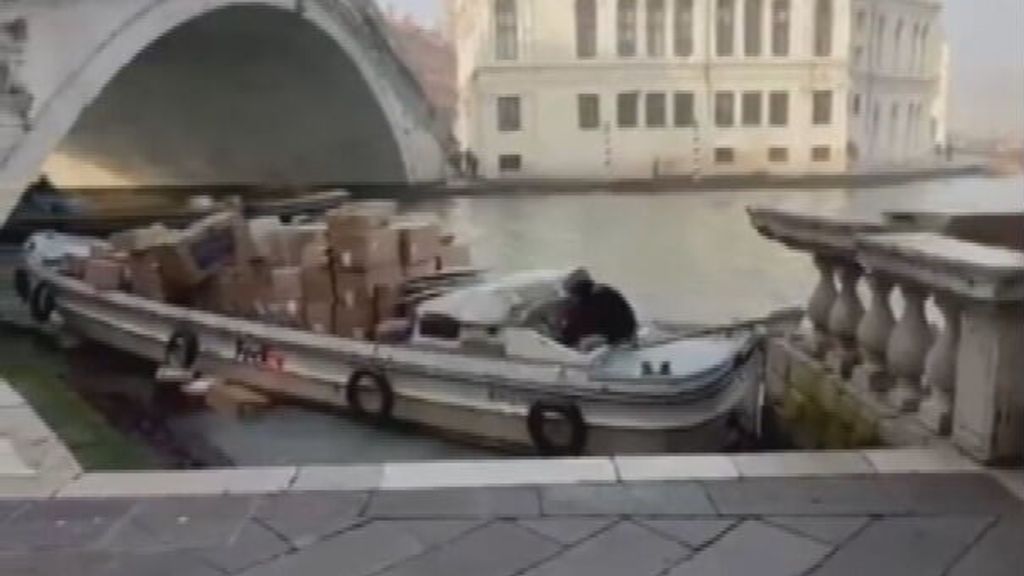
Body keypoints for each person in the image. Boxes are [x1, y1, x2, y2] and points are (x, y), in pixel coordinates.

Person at [560, 269, 638, 349]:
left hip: (615, 342)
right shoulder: (606, 290)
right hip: (628, 335)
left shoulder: (586, 304)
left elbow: (571, 333)